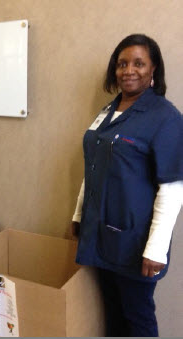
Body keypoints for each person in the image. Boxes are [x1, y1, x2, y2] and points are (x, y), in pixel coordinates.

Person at [71, 34, 183, 337]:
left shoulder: (166, 118)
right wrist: (79, 214)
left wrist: (157, 249)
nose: (128, 70)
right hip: (100, 233)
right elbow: (93, 166)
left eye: (138, 63)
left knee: (138, 316)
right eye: (122, 64)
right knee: (111, 311)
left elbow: (172, 189)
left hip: (134, 242)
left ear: (153, 70)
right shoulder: (107, 112)